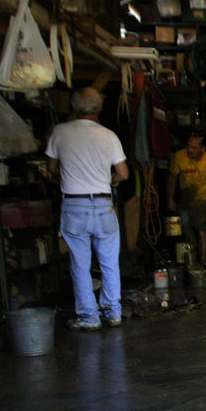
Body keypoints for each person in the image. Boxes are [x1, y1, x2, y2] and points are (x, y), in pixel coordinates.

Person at [46, 87, 129, 331]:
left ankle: (89, 316)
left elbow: (51, 170)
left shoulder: (59, 132)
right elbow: (123, 174)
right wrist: (108, 183)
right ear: (99, 108)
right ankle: (113, 312)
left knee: (80, 264)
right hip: (103, 204)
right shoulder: (109, 136)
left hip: (74, 205)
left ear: (74, 107)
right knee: (109, 262)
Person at [167, 133, 206, 266]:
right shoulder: (179, 157)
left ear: (203, 149)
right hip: (185, 200)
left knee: (202, 230)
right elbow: (172, 178)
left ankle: (202, 263)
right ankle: (193, 253)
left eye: (194, 148)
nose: (190, 150)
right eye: (188, 146)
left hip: (203, 200)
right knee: (185, 227)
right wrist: (170, 198)